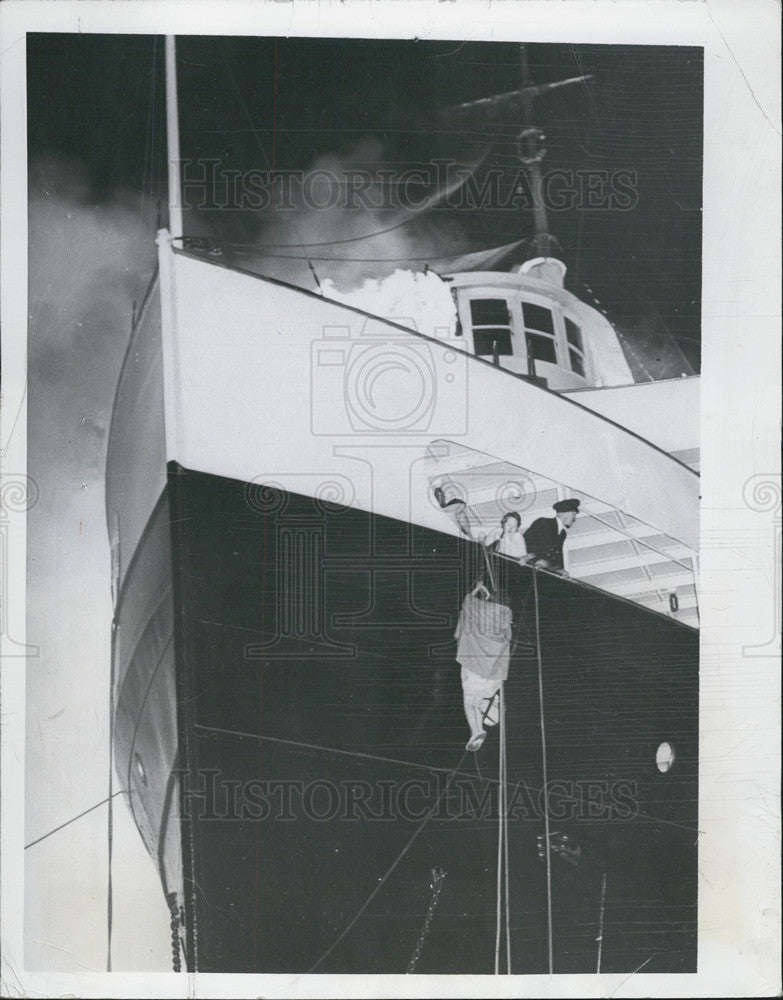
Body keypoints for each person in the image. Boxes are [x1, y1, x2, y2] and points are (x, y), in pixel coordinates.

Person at [454, 581, 512, 751]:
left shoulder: (504, 616)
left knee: (474, 702)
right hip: (477, 673)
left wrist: (480, 590)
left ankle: (479, 729)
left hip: (494, 677)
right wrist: (477, 590)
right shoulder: (504, 615)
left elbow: (474, 610)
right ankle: (477, 729)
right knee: (470, 705)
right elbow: (467, 605)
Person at [523, 498, 580, 576]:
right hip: (530, 567)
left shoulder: (562, 534)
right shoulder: (544, 522)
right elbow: (525, 542)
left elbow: (556, 555)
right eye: (574, 515)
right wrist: (536, 559)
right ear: (568, 513)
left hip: (543, 570)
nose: (575, 519)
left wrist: (560, 569)